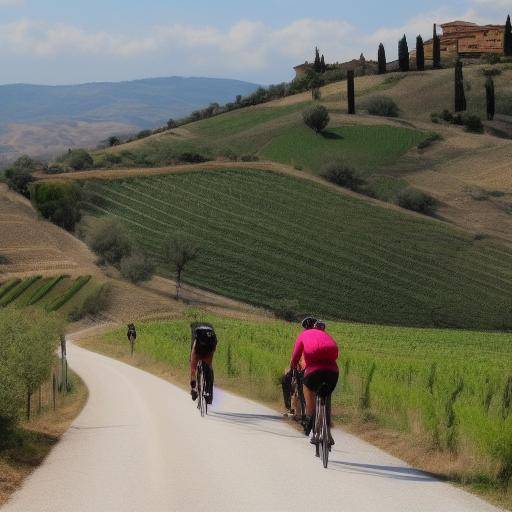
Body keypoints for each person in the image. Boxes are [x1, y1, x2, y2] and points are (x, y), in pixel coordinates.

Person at [288, 318, 339, 441]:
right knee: (327, 394)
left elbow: (295, 356)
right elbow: (335, 352)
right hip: (333, 371)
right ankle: (328, 429)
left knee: (308, 388)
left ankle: (310, 418)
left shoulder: (304, 335)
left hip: (313, 370)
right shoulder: (325, 335)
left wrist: (291, 368)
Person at [281, 317, 317, 418]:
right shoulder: (322, 336)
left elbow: (295, 356)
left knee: (286, 379)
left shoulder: (303, 337)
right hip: (323, 368)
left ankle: (290, 408)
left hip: (305, 368)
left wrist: (292, 367)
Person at [189, 322, 217, 404]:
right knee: (209, 367)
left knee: (193, 368)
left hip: (198, 346)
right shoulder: (210, 327)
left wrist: (191, 359)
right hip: (210, 344)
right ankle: (208, 393)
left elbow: (193, 347)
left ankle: (194, 389)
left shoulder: (194, 328)